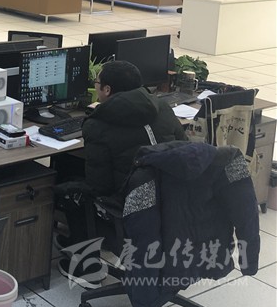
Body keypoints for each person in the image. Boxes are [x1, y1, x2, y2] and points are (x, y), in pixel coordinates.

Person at [56, 60, 187, 288]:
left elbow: (99, 186)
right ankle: (77, 242)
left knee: (71, 190)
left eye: (97, 83)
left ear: (107, 90)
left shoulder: (98, 125)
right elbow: (185, 151)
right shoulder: (163, 108)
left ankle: (87, 269)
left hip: (131, 211)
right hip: (174, 205)